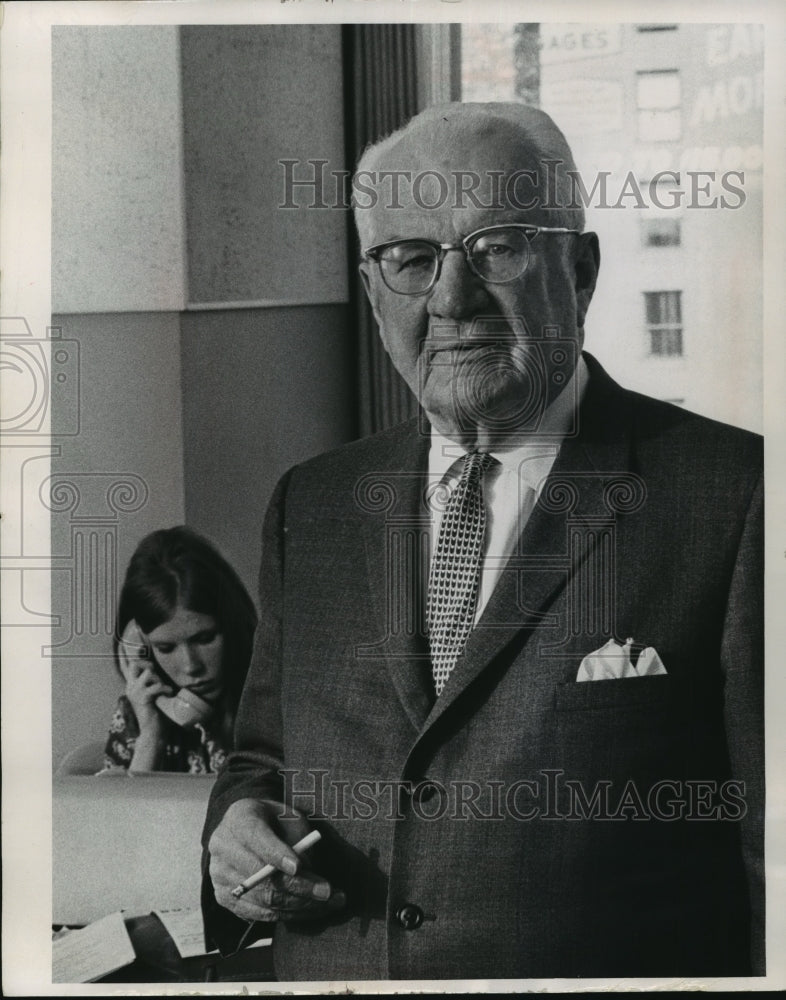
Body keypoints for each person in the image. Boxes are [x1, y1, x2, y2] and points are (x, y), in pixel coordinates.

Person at [201, 103, 763, 980]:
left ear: (579, 268)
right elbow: (264, 760)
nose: (453, 299)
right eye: (412, 259)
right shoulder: (311, 503)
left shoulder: (736, 495)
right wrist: (238, 832)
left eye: (498, 247)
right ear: (374, 288)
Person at [102, 526, 257, 773]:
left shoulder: (268, 703)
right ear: (142, 648)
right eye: (165, 647)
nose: (190, 665)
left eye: (205, 639)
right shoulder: (138, 711)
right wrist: (151, 737)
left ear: (231, 626)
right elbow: (121, 812)